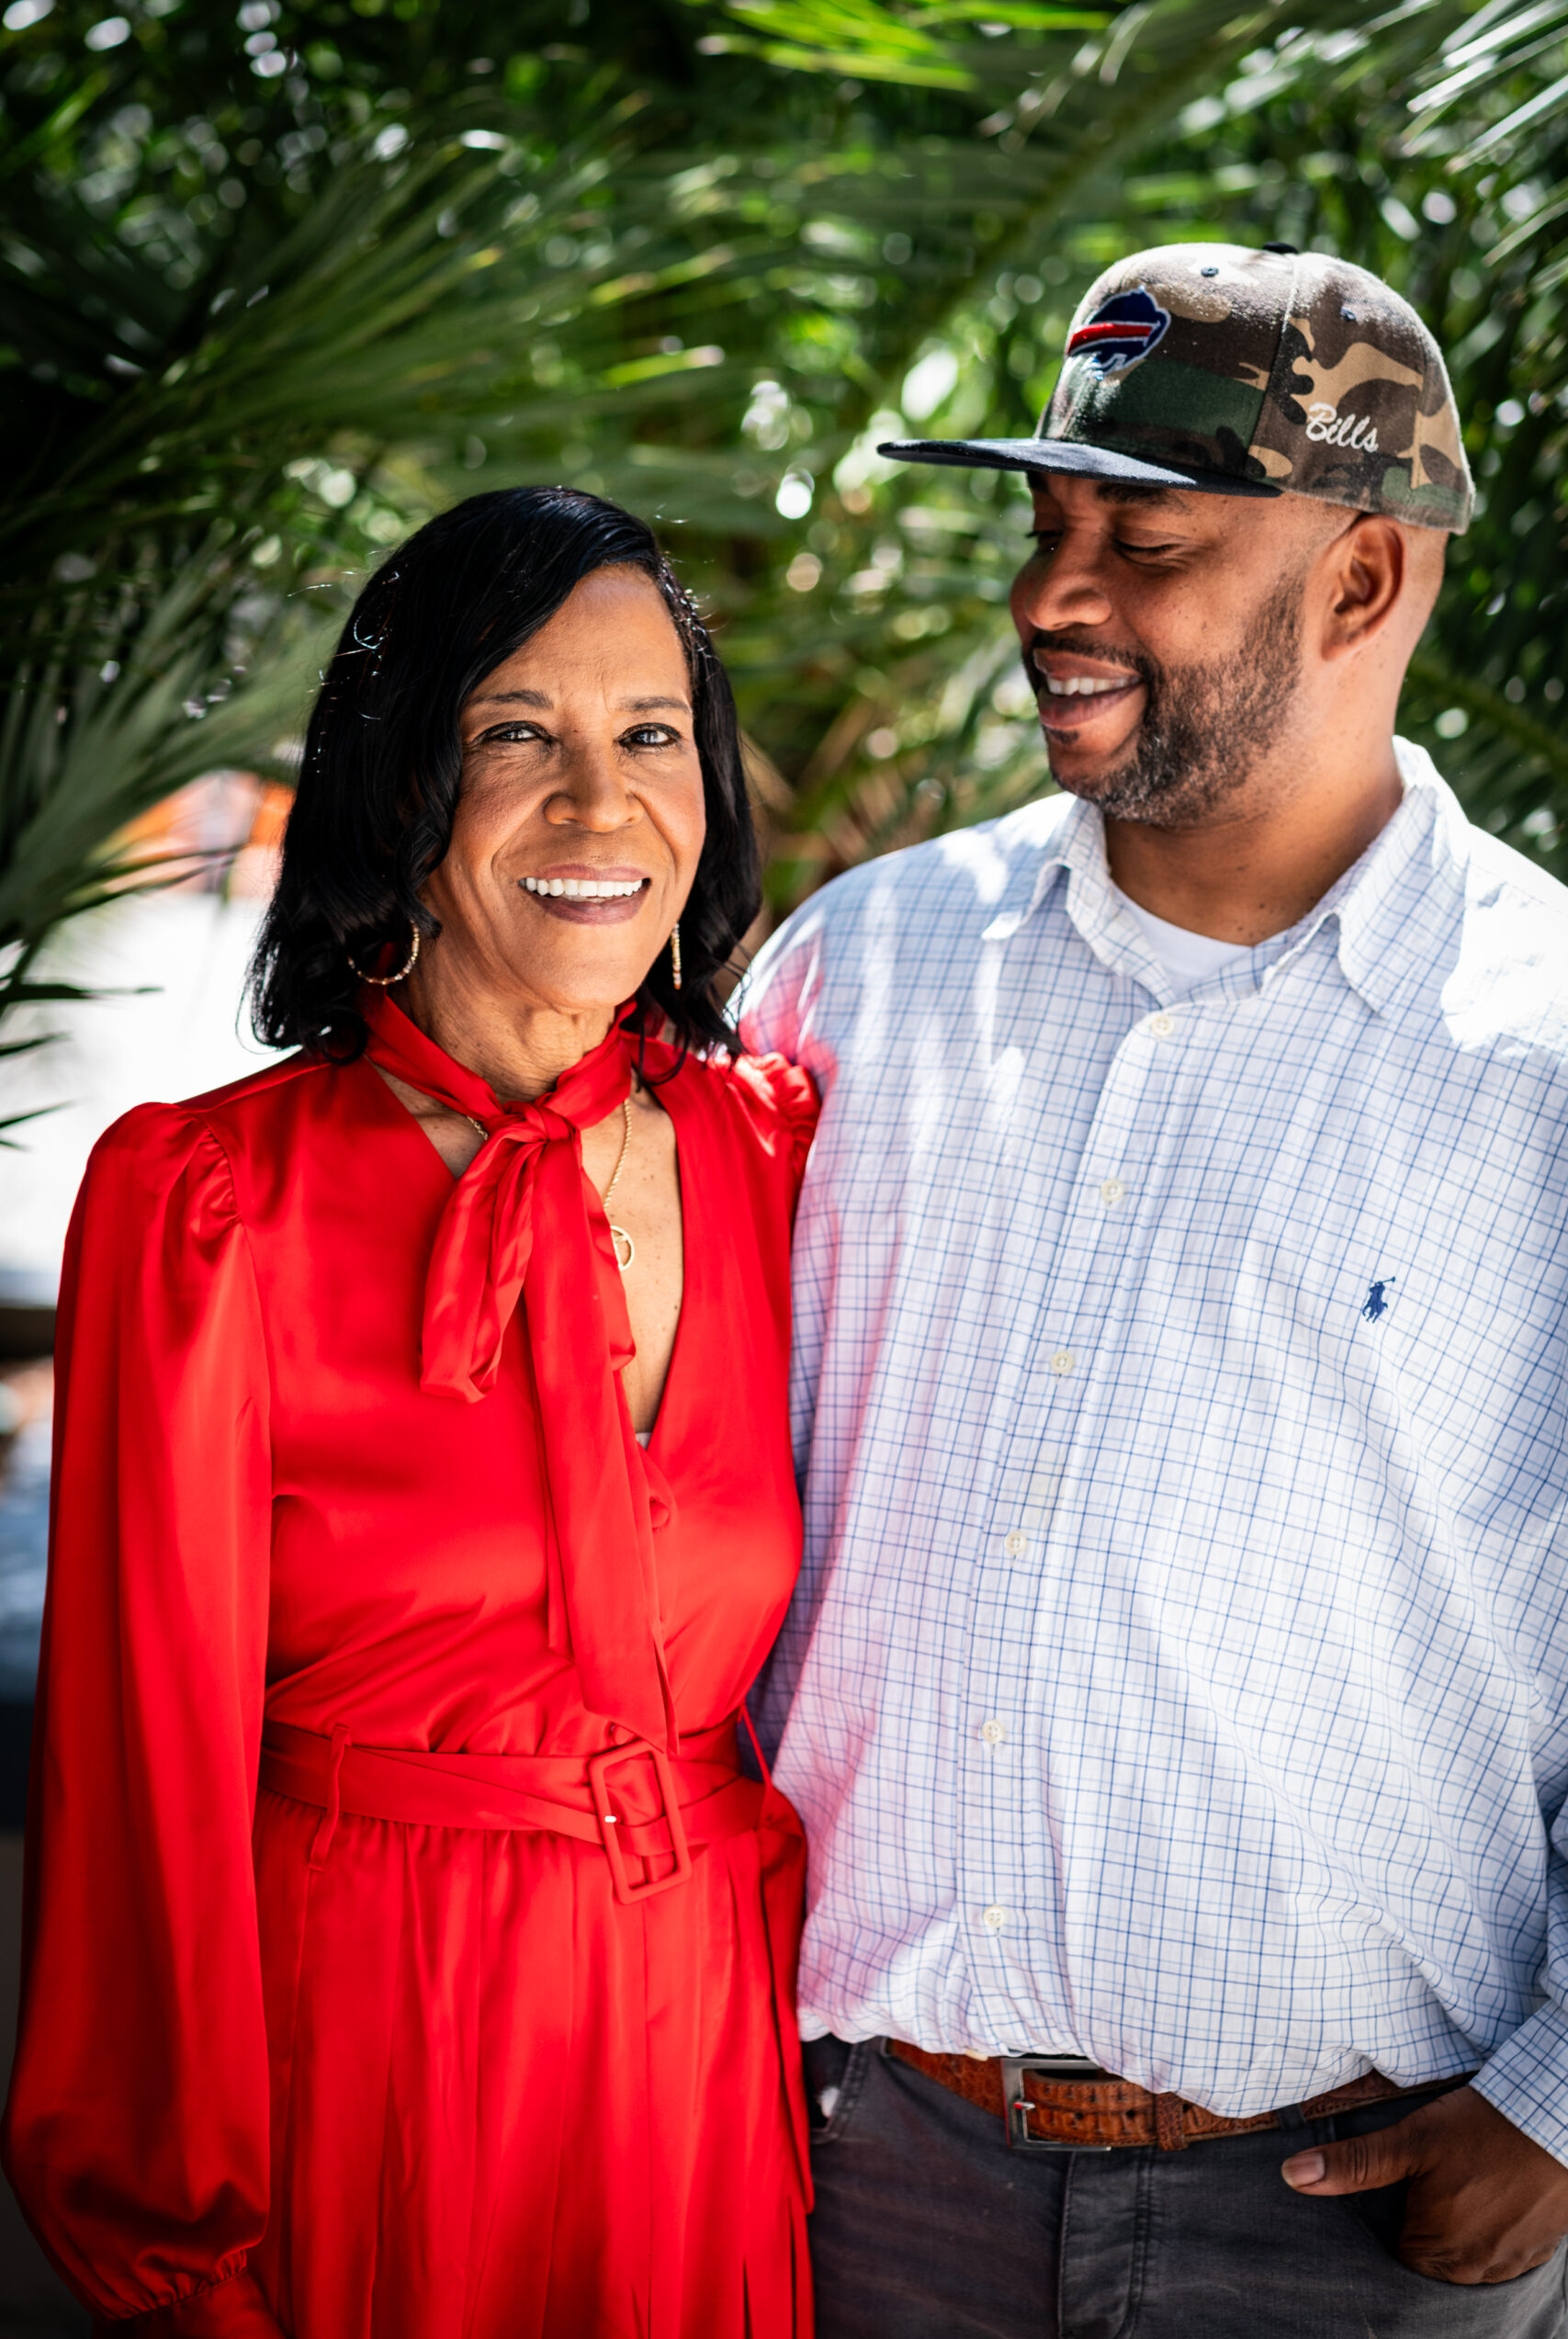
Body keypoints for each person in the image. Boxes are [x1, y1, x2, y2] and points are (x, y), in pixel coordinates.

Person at [739, 243, 1568, 2336]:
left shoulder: (1542, 1057)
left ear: (1364, 581)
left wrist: (1560, 2100)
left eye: (1146, 539)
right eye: (1044, 525)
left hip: (1348, 2224)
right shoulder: (856, 977)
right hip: (851, 2177)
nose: (1048, 596)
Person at [4, 487, 818, 2339]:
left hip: (696, 2043)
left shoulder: (773, 1151)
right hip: (375, 2039)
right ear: (394, 781)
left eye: (646, 736)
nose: (597, 809)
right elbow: (141, 1783)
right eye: (512, 734)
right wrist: (182, 2248)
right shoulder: (209, 1201)